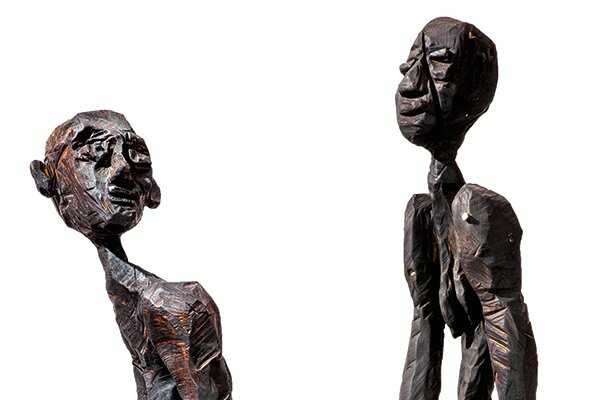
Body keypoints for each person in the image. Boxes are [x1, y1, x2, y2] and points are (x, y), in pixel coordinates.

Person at [31, 110, 232, 400]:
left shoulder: (165, 305)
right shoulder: (130, 296)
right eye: (94, 153)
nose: (122, 169)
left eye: (135, 156)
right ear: (47, 181)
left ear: (151, 190)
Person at [396, 17, 537, 400]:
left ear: (475, 90)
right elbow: (426, 321)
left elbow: (508, 337)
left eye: (438, 64)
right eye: (410, 65)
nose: (410, 84)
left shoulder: (478, 211)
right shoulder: (423, 213)